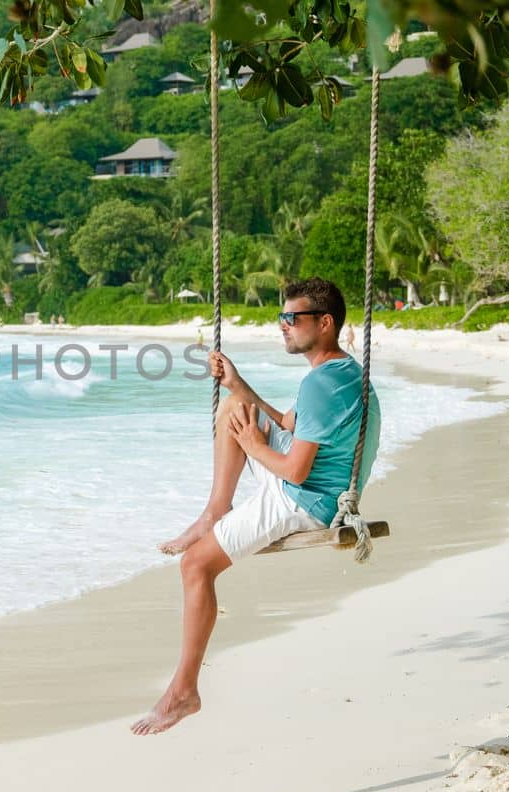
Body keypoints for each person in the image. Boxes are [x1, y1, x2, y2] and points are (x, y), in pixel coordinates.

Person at [135, 278, 382, 735]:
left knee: (195, 565)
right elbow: (288, 424)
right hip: (312, 486)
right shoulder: (338, 372)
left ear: (324, 323)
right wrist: (239, 384)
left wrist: (251, 442)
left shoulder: (321, 386)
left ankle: (183, 692)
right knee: (233, 407)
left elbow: (296, 471)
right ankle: (216, 510)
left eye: (293, 318)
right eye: (281, 318)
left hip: (304, 501)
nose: (283, 326)